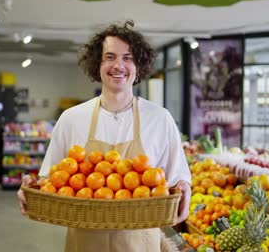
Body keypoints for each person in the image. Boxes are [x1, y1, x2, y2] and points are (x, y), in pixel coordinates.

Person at [17, 20, 191, 252]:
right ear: (97, 64)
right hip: (85, 241)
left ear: (138, 65)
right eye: (110, 57)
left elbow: (177, 178)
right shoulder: (71, 118)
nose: (118, 65)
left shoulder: (160, 118)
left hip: (141, 243)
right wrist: (30, 186)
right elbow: (49, 181)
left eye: (128, 58)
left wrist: (184, 186)